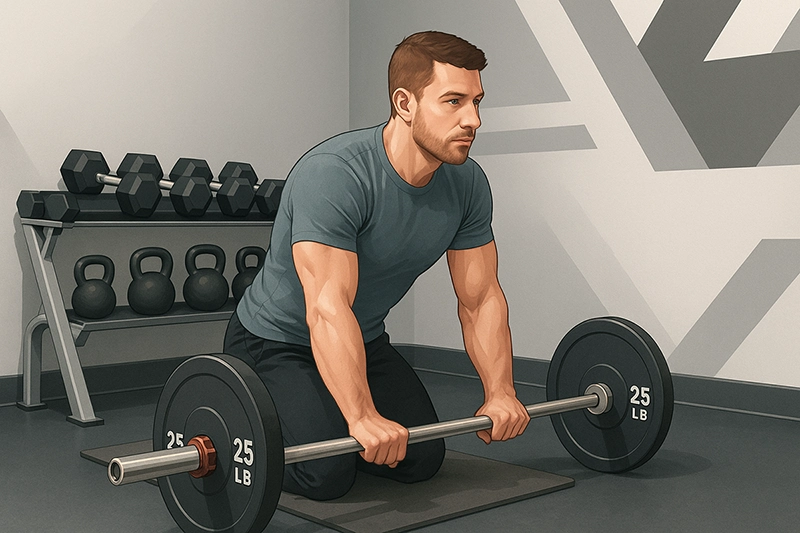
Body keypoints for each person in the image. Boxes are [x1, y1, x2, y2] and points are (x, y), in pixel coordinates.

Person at [224, 30, 530, 501]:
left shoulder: (467, 184)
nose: (473, 119)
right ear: (405, 103)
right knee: (325, 475)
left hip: (362, 338)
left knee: (422, 459)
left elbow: (481, 297)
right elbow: (327, 307)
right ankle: (243, 436)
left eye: (476, 102)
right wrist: (362, 415)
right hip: (276, 341)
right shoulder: (335, 174)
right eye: (453, 102)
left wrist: (500, 391)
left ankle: (324, 422)